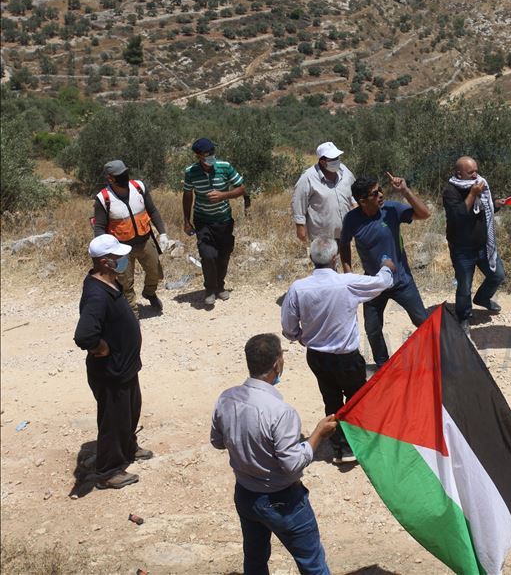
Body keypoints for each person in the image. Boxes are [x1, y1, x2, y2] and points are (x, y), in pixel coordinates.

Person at [211, 334, 338, 575]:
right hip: (283, 502)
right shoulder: (281, 412)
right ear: (277, 364)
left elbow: (217, 442)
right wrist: (318, 435)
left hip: (246, 495)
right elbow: (292, 464)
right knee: (313, 564)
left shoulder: (226, 398)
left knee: (255, 560)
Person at [281, 238, 395, 463]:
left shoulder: (298, 288)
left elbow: (288, 326)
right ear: (335, 259)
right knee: (356, 399)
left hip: (317, 356)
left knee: (331, 399)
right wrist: (387, 267)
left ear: (311, 258)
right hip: (347, 358)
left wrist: (298, 336)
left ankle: (341, 448)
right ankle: (359, 444)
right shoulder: (347, 283)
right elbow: (382, 283)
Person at [73, 234, 153, 490]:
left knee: (129, 412)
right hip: (111, 371)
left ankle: (127, 447)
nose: (123, 260)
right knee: (113, 420)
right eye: (118, 257)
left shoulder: (109, 282)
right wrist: (101, 346)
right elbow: (84, 335)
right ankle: (108, 471)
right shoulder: (97, 294)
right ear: (105, 262)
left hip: (125, 367)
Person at [339, 173, 431, 367]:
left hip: (401, 281)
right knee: (372, 329)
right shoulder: (351, 219)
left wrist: (405, 191)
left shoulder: (391, 210)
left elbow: (425, 214)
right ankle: (383, 365)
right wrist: (348, 273)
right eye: (375, 193)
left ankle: (435, 356)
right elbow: (344, 244)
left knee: (422, 321)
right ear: (362, 201)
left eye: (380, 189)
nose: (381, 194)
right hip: (373, 284)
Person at [92, 160, 169, 317]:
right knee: (125, 282)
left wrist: (163, 233)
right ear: (110, 178)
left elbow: (152, 210)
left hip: (145, 241)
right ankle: (133, 314)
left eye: (125, 173)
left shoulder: (139, 187)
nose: (124, 177)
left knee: (155, 273)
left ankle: (149, 293)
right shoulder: (103, 199)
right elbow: (99, 227)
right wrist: (105, 252)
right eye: (119, 175)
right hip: (120, 248)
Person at [443, 155, 509, 333]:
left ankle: (482, 298)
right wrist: (473, 194)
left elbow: (484, 208)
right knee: (464, 286)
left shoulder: (480, 184)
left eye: (476, 171)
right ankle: (463, 316)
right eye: (470, 172)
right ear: (459, 173)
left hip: (484, 246)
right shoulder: (450, 191)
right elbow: (459, 216)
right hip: (462, 249)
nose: (475, 175)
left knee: (497, 275)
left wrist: (496, 204)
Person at [182, 138, 246, 306]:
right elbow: (187, 195)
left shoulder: (225, 167)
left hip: (223, 220)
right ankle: (210, 289)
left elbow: (241, 188)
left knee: (223, 255)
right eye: (206, 154)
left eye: (212, 152)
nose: (210, 156)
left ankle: (220, 286)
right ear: (198, 156)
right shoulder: (190, 172)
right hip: (203, 221)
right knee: (208, 255)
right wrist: (186, 221)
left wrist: (223, 195)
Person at [291, 141, 356, 245]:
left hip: (345, 230)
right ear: (322, 162)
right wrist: (300, 226)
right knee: (324, 255)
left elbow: (354, 190)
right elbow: (299, 201)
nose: (336, 161)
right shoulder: (308, 177)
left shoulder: (345, 171)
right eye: (332, 159)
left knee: (344, 253)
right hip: (322, 234)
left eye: (337, 157)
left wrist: (355, 204)